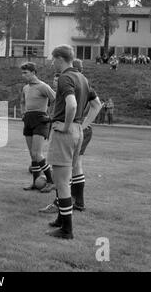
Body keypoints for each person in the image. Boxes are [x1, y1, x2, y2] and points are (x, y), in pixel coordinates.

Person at [39, 58, 102, 214]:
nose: (56, 79)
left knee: (63, 169)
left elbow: (74, 106)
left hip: (74, 129)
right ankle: (78, 202)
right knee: (76, 166)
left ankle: (61, 203)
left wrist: (78, 125)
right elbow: (97, 104)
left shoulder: (72, 85)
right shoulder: (85, 84)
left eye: (57, 76)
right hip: (81, 129)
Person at [46, 45, 91, 240]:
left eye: (53, 59)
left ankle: (67, 230)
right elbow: (94, 103)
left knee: (61, 182)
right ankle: (60, 219)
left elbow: (71, 104)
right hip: (79, 130)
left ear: (60, 59)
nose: (52, 63)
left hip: (66, 131)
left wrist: (64, 126)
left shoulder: (65, 77)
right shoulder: (82, 77)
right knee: (68, 177)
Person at [20, 62, 56, 193]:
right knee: (32, 155)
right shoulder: (25, 88)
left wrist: (50, 115)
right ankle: (35, 183)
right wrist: (23, 112)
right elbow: (22, 101)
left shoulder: (43, 86)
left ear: (33, 72)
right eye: (22, 73)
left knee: (37, 153)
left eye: (26, 73)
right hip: (28, 119)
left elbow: (56, 99)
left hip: (41, 120)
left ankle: (51, 181)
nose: (23, 75)